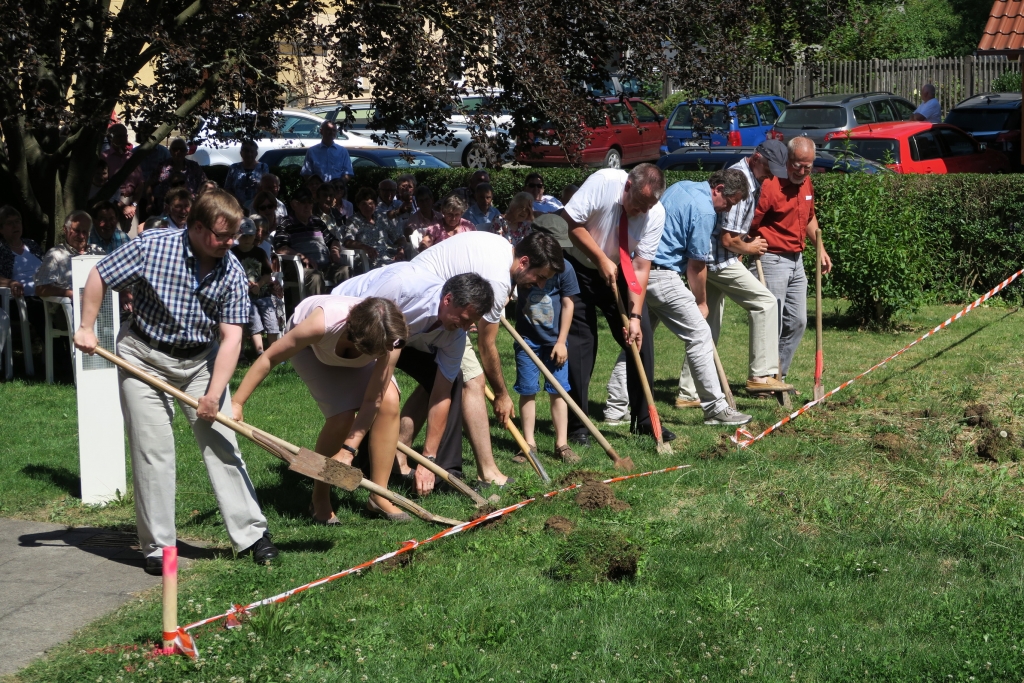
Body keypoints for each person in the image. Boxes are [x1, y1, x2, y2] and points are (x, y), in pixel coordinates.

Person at [72, 189, 279, 575]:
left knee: (223, 443)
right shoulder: (153, 246)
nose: (230, 243)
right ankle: (159, 547)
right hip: (142, 357)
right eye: (222, 235)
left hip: (200, 362)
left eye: (233, 235)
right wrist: (86, 326)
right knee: (154, 451)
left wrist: (213, 395)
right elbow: (100, 274)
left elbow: (232, 338)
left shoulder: (232, 271)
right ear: (197, 227)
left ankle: (252, 535)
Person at [232, 296, 410, 522]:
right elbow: (269, 358)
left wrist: (348, 451)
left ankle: (379, 494)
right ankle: (320, 497)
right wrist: (237, 403)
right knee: (342, 416)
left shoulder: (392, 337)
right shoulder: (320, 324)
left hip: (361, 348)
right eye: (383, 348)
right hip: (312, 351)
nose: (391, 349)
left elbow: (372, 400)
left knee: (389, 402)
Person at [409, 231, 564, 487]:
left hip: (429, 299)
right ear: (524, 262)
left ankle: (397, 452)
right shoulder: (497, 279)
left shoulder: (503, 249)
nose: (539, 285)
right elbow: (486, 344)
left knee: (436, 383)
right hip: (428, 306)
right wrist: (501, 395)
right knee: (474, 381)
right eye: (539, 276)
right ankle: (488, 472)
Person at [334, 267, 494, 494]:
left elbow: (440, 395)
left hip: (405, 337)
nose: (467, 328)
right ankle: (364, 464)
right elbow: (363, 322)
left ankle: (441, 473)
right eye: (465, 319)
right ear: (448, 299)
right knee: (383, 393)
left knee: (452, 380)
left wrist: (428, 458)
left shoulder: (455, 334)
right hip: (357, 326)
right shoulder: (402, 288)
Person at [558, 163, 674, 444]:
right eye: (639, 203)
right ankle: (578, 426)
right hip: (579, 267)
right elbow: (570, 223)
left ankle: (644, 421)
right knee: (581, 344)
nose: (642, 211)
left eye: (648, 206)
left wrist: (635, 317)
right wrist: (600, 259)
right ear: (628, 186)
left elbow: (642, 266)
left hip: (620, 271)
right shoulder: (603, 181)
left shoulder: (655, 213)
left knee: (640, 341)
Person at [677, 141, 793, 402]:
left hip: (709, 260)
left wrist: (746, 240)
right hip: (718, 261)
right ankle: (760, 375)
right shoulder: (742, 183)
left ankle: (689, 393)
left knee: (707, 325)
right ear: (757, 158)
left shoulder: (751, 177)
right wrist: (750, 247)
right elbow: (728, 240)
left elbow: (733, 232)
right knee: (765, 303)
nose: (771, 175)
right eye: (769, 168)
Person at [639, 170, 754, 425]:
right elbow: (697, 265)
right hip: (663, 276)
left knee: (638, 339)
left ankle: (615, 408)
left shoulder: (681, 186)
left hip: (642, 271)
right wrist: (701, 302)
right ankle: (715, 408)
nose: (727, 209)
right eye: (729, 203)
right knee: (701, 335)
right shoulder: (705, 211)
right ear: (719, 189)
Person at [748, 136, 832, 381]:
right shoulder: (771, 184)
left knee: (797, 321)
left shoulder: (806, 183)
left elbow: (809, 217)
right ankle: (761, 378)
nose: (802, 172)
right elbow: (750, 221)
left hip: (797, 260)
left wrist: (820, 249)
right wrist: (747, 246)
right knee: (770, 322)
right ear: (787, 160)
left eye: (808, 167)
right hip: (771, 259)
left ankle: (778, 376)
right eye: (797, 166)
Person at [513, 217, 581, 464]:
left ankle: (561, 444)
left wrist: (561, 341)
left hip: (555, 342)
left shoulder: (565, 269)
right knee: (527, 390)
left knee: (558, 390)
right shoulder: (523, 266)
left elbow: (568, 303)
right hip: (527, 340)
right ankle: (528, 444)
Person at [274, 187, 348, 295]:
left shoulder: (317, 222)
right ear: (294, 204)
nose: (307, 206)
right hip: (301, 268)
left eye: (310, 202)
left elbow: (333, 240)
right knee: (315, 276)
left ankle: (342, 304)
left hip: (325, 266)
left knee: (345, 270)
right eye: (303, 202)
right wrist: (302, 257)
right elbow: (281, 248)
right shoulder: (286, 223)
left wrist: (334, 251)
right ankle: (316, 305)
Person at [232, 218, 278, 355]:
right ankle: (260, 351)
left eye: (250, 235)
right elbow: (230, 275)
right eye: (244, 235)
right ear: (237, 236)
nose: (247, 239)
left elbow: (267, 274)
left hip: (263, 294)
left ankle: (274, 351)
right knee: (254, 319)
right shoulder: (232, 254)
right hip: (243, 297)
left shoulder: (260, 253)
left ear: (254, 236)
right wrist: (244, 284)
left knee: (271, 320)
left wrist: (259, 284)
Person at [35, 211, 107, 298]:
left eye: (85, 232)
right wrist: (71, 294)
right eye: (77, 231)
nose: (81, 236)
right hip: (72, 304)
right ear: (65, 229)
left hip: (103, 301)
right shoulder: (55, 254)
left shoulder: (97, 251)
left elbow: (112, 277)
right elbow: (41, 288)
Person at [345, 187, 399, 268]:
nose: (368, 207)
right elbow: (348, 241)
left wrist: (400, 249)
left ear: (376, 204)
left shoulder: (381, 218)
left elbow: (397, 237)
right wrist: (364, 247)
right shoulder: (354, 221)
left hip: (386, 257)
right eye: (364, 204)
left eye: (371, 203)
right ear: (358, 205)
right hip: (367, 260)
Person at [152, 138, 208, 213]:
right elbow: (150, 185)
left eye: (182, 150)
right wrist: (150, 203)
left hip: (189, 210)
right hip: (165, 210)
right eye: (175, 149)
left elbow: (205, 184)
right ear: (170, 151)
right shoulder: (162, 167)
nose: (178, 152)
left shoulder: (194, 167)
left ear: (186, 151)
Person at [224, 141, 269, 209]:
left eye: (252, 151)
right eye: (246, 151)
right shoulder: (234, 168)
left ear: (256, 153)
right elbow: (227, 189)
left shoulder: (263, 167)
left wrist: (252, 203)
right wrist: (237, 202)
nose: (249, 154)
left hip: (257, 206)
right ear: (241, 153)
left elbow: (266, 188)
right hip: (237, 207)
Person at [404, 185, 443, 254]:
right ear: (417, 203)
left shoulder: (440, 216)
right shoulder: (413, 220)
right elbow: (410, 240)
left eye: (427, 199)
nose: (425, 203)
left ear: (432, 200)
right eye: (421, 201)